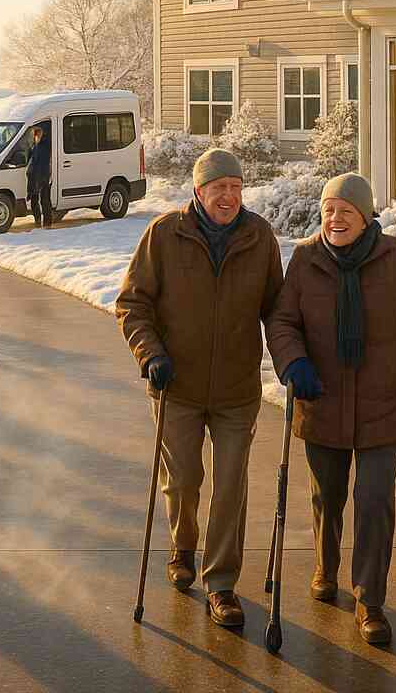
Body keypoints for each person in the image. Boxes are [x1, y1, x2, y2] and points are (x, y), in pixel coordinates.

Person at [267, 173, 396, 645]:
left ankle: (370, 599)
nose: (335, 218)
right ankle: (326, 567)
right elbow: (283, 321)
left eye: (346, 211)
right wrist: (293, 361)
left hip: (381, 406)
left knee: (373, 501)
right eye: (328, 210)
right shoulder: (305, 260)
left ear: (366, 218)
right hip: (320, 401)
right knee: (327, 497)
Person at [116, 149, 283, 629]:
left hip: (236, 389)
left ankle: (222, 583)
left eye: (235, 187)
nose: (228, 197)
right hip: (177, 386)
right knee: (184, 479)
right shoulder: (165, 234)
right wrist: (151, 355)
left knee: (231, 485)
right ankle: (182, 545)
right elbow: (132, 304)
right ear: (198, 190)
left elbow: (278, 310)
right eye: (218, 188)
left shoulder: (259, 237)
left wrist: (290, 357)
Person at [26, 125, 52, 228]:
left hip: (43, 175)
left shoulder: (45, 144)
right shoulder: (34, 145)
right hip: (34, 176)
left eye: (37, 132)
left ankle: (47, 223)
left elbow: (43, 162)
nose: (36, 134)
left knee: (44, 200)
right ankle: (37, 222)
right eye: (35, 133)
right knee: (34, 200)